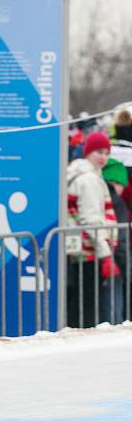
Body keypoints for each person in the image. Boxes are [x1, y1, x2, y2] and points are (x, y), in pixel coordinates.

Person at [66, 132, 120, 328]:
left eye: (107, 152)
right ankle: (82, 337)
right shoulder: (88, 179)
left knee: (81, 299)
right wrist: (105, 254)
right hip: (89, 251)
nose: (103, 157)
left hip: (82, 249)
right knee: (87, 302)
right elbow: (91, 220)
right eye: (99, 152)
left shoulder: (84, 176)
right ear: (88, 152)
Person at [102, 158, 128, 324]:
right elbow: (121, 238)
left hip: (97, 259)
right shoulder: (117, 202)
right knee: (113, 310)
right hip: (113, 262)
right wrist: (126, 266)